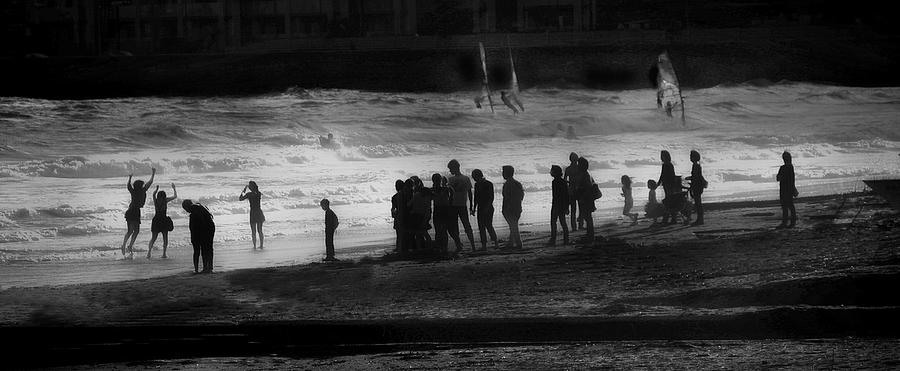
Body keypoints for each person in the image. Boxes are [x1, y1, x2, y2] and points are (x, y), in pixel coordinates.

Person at [121, 168, 155, 259]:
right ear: (141, 185)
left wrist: (130, 178)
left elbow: (128, 186)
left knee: (131, 231)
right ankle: (127, 245)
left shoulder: (134, 191)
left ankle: (126, 245)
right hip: (134, 211)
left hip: (131, 210)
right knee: (135, 231)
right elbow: (150, 182)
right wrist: (153, 173)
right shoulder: (143, 190)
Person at [447, 159, 477, 251]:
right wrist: (471, 205)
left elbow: (470, 193)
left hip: (455, 205)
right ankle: (470, 246)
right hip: (459, 205)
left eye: (450, 169)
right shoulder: (465, 178)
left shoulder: (453, 179)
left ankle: (461, 245)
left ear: (455, 168)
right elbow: (470, 194)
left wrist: (471, 205)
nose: (450, 171)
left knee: (459, 226)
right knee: (465, 225)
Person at [182, 199, 215, 273]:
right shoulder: (198, 206)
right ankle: (209, 267)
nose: (186, 211)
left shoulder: (194, 209)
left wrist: (198, 236)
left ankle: (202, 269)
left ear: (187, 206)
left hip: (207, 228)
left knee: (203, 249)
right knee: (208, 248)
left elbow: (201, 222)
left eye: (185, 209)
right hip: (210, 226)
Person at [147, 183, 177, 259]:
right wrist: (174, 188)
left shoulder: (156, 201)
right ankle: (164, 254)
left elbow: (153, 195)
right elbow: (175, 196)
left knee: (153, 238)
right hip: (163, 220)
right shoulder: (165, 200)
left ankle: (149, 252)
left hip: (156, 220)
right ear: (164, 196)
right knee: (165, 238)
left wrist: (156, 190)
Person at [471, 169, 499, 250]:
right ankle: (484, 245)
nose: (473, 179)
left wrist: (487, 207)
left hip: (488, 207)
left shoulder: (489, 184)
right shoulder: (476, 185)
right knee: (481, 227)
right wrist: (474, 208)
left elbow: (491, 197)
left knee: (489, 225)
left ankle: (496, 242)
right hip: (480, 207)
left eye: (474, 177)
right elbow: (475, 198)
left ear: (478, 176)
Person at [431, 174, 458, 254]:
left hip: (442, 210)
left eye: (437, 180)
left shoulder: (444, 189)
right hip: (442, 210)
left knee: (442, 230)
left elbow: (451, 196)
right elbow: (451, 197)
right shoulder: (443, 189)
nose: (437, 182)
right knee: (441, 230)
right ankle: (441, 247)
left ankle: (443, 248)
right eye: (436, 180)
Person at [574, 157, 596, 244]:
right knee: (587, 217)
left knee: (588, 217)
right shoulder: (586, 174)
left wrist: (582, 198)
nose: (577, 166)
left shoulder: (585, 175)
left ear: (583, 166)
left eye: (579, 164)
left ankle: (590, 235)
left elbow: (587, 189)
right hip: (587, 199)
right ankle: (590, 234)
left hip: (586, 199)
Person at [501, 165, 524, 249]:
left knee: (513, 226)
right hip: (518, 207)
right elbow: (521, 196)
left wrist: (506, 208)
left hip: (510, 208)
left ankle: (519, 243)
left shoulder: (507, 184)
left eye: (503, 172)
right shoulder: (517, 183)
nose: (502, 174)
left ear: (506, 173)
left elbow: (507, 197)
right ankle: (511, 242)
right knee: (513, 225)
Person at [239, 181, 265, 249]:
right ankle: (261, 245)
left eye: (250, 186)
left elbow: (240, 198)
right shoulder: (258, 193)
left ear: (251, 187)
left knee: (253, 231)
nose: (249, 187)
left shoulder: (249, 194)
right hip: (259, 212)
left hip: (253, 213)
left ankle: (254, 246)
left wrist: (244, 189)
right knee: (260, 230)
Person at [407, 180, 433, 250]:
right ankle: (429, 247)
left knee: (417, 234)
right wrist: (426, 220)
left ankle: (419, 248)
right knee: (424, 233)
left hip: (415, 216)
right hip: (422, 216)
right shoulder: (427, 198)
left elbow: (409, 204)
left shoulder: (416, 195)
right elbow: (427, 210)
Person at [657, 150, 680, 224]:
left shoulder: (669, 165)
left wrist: (659, 183)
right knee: (669, 202)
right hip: (666, 185)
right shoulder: (666, 165)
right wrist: (658, 183)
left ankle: (671, 218)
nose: (662, 157)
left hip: (669, 185)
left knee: (670, 202)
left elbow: (671, 176)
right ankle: (669, 218)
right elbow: (662, 175)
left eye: (663, 156)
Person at [776, 151, 798, 228]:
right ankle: (787, 222)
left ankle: (790, 222)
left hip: (786, 189)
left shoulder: (788, 167)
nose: (785, 159)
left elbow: (781, 178)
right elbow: (778, 178)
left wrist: (792, 188)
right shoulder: (785, 167)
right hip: (785, 188)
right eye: (785, 158)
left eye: (786, 158)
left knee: (788, 205)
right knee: (786, 206)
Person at [549, 165, 569, 246]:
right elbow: (567, 196)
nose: (551, 172)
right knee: (562, 222)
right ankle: (566, 240)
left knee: (554, 222)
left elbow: (555, 196)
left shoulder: (554, 182)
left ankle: (553, 240)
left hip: (556, 205)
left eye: (552, 171)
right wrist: (567, 207)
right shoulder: (563, 182)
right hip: (561, 205)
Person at [686, 150, 707, 226]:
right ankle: (700, 219)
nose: (690, 158)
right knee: (698, 203)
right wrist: (690, 178)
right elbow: (697, 176)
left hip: (697, 186)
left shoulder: (696, 166)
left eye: (691, 156)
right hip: (698, 186)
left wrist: (691, 181)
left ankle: (700, 220)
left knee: (698, 203)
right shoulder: (697, 165)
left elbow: (696, 177)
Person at [564, 152, 581, 231]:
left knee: (573, 210)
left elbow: (564, 180)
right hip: (579, 189)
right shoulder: (579, 168)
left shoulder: (568, 169)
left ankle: (574, 227)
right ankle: (580, 224)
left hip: (571, 190)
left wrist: (569, 184)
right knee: (581, 208)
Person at [391, 179, 405, 253]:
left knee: (399, 235)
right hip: (405, 216)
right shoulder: (406, 195)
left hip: (398, 216)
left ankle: (399, 249)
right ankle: (403, 248)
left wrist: (394, 215)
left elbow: (393, 208)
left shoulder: (394, 197)